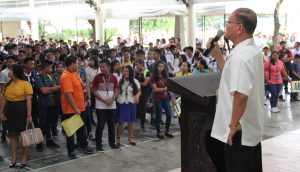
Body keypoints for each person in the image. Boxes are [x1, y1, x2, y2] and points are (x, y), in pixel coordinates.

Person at [210, 8, 264, 172]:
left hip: (238, 131)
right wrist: (217, 54)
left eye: (229, 23)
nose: (226, 27)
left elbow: (241, 95)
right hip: (249, 127)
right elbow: (230, 74)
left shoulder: (241, 57)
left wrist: (232, 127)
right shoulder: (251, 51)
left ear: (239, 28)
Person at [60, 55, 93, 159]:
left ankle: (83, 145)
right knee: (70, 131)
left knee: (81, 128)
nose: (78, 64)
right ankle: (71, 150)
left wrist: (86, 99)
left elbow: (80, 88)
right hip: (71, 109)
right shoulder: (66, 76)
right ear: (72, 64)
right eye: (77, 63)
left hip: (80, 107)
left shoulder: (75, 73)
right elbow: (68, 95)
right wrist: (75, 108)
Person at [0, 64, 33, 168]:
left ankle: (24, 157)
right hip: (10, 111)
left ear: (15, 72)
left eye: (11, 70)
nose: (8, 72)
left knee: (24, 136)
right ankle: (13, 158)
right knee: (13, 135)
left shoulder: (26, 84)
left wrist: (29, 115)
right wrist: (1, 112)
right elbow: (4, 99)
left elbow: (28, 101)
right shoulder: (7, 84)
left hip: (21, 111)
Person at [92, 59, 119, 152]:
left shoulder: (114, 78)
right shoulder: (97, 77)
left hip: (111, 104)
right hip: (101, 105)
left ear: (109, 67)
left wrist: (112, 99)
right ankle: (98, 145)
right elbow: (94, 90)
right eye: (100, 67)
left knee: (112, 125)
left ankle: (112, 143)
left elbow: (116, 90)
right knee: (100, 125)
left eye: (103, 67)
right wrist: (103, 100)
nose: (102, 68)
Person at [35, 60, 60, 150]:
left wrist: (50, 89)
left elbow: (56, 88)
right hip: (42, 104)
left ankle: (49, 140)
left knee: (48, 122)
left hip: (50, 102)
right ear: (45, 68)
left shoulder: (49, 76)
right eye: (50, 67)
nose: (51, 69)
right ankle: (39, 143)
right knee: (41, 123)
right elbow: (43, 91)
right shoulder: (38, 77)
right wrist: (52, 89)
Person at [116, 66, 141, 146]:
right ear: (122, 72)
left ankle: (131, 137)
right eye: (124, 71)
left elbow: (139, 92)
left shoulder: (135, 81)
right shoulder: (119, 80)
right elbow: (116, 91)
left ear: (130, 72)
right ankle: (118, 137)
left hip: (131, 102)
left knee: (131, 121)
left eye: (127, 71)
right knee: (121, 122)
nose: (126, 73)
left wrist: (137, 96)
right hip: (122, 103)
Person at [151, 60, 176, 139]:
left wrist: (172, 98)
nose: (161, 68)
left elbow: (169, 89)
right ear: (156, 67)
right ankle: (159, 132)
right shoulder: (153, 77)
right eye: (159, 66)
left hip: (166, 98)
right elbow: (155, 89)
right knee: (159, 115)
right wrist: (165, 88)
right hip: (158, 99)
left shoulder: (165, 76)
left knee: (169, 114)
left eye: (162, 67)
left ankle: (167, 131)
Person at [135, 59, 151, 132]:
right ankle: (130, 123)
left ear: (142, 64)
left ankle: (142, 124)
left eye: (137, 65)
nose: (136, 66)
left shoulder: (147, 72)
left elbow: (145, 84)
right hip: (136, 92)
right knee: (135, 108)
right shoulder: (136, 72)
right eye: (135, 65)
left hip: (144, 93)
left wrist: (137, 83)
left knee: (142, 108)